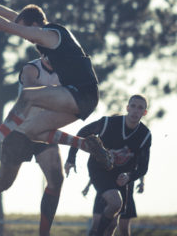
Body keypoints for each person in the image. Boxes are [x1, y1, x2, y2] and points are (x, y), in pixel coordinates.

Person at [0, 0, 113, 170]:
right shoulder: (45, 32)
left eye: (25, 31)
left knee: (28, 95)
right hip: (79, 99)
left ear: (34, 25)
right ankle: (87, 144)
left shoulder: (48, 35)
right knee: (31, 131)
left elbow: (2, 25)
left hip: (82, 94)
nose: (25, 38)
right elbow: (13, 17)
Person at [0, 54, 64, 236]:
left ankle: (44, 233)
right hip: (20, 132)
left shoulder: (66, 70)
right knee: (4, 182)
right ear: (41, 52)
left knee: (56, 179)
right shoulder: (31, 69)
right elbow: (32, 92)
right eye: (46, 52)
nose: (51, 56)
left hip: (44, 130)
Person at [64, 94, 151, 236]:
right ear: (127, 108)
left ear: (144, 112)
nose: (136, 110)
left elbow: (143, 167)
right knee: (115, 203)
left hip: (121, 177)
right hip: (99, 169)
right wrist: (71, 158)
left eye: (140, 108)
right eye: (133, 106)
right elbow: (82, 132)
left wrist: (129, 176)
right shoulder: (108, 123)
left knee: (112, 226)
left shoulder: (145, 135)